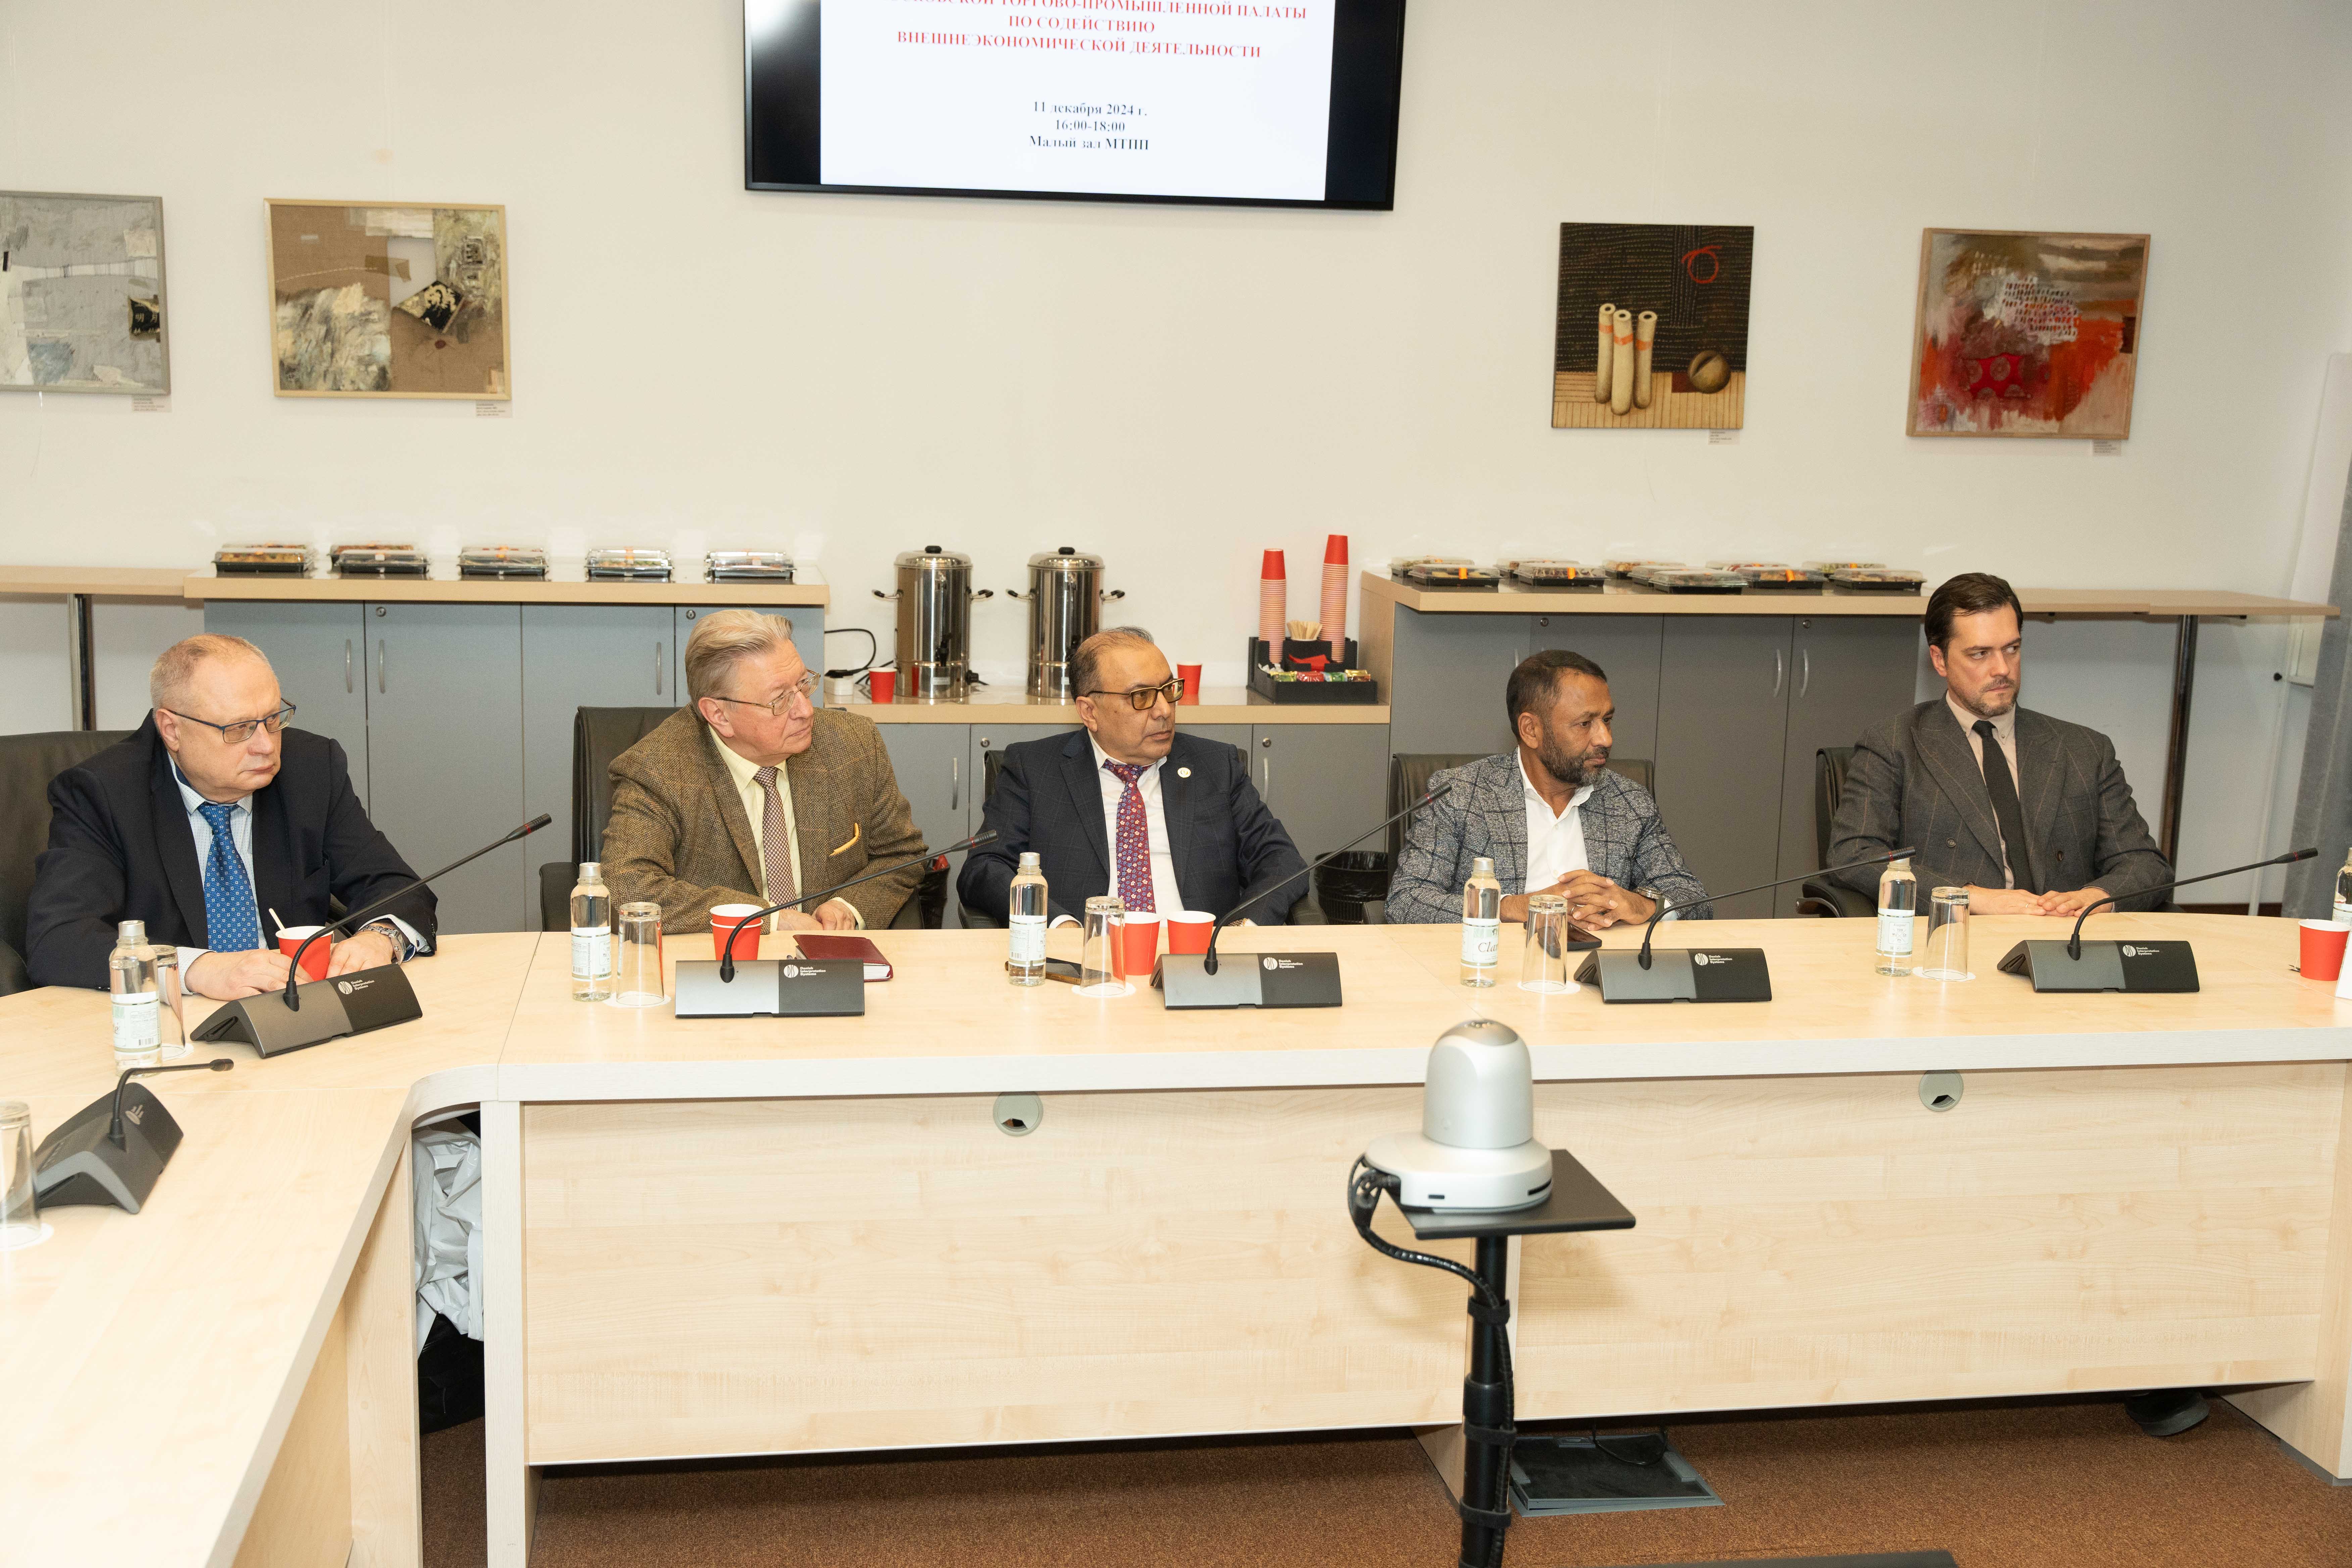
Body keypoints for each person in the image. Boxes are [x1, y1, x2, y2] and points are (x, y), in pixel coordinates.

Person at [27, 634, 434, 996]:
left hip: (297, 1010)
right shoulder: (104, 793)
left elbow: (396, 885)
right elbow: (58, 939)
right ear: (172, 729)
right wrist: (199, 969)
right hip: (170, 1021)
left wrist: (381, 937)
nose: (266, 746)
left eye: (273, 719)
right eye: (239, 729)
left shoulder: (310, 769)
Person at [1827, 571, 2171, 914]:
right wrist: (1967, 898)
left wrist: (2097, 897)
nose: (2002, 669)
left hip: (2064, 937)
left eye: (2012, 649)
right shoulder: (1894, 745)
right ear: (1939, 659)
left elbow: (2145, 864)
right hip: (1955, 936)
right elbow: (1854, 856)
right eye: (1980, 654)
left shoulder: (2085, 750)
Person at [958, 627, 1308, 925]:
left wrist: (1243, 929)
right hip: (1083, 958)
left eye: (1169, 690)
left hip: (1200, 959)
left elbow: (1281, 861)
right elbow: (986, 868)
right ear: (1089, 712)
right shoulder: (1034, 769)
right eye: (1142, 697)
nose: (1164, 710)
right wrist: (1058, 926)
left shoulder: (1216, 766)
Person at [603, 610, 926, 933]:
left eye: (803, 685)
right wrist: (769, 919)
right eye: (780, 700)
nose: (805, 710)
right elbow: (628, 889)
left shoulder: (853, 743)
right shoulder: (657, 770)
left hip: (830, 956)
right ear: (719, 715)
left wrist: (848, 907)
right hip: (721, 958)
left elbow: (901, 855)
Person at [1385, 649, 1706, 928]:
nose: (1605, 739)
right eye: (1585, 724)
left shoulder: (1629, 802)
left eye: (1607, 720)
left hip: (1598, 970)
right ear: (1531, 730)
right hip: (1492, 967)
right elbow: (1406, 902)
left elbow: (1695, 900)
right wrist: (1514, 907)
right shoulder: (1461, 795)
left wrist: (1642, 906)